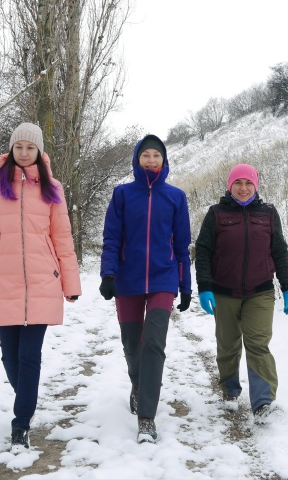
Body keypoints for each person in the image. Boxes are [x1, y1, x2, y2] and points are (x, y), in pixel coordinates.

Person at [0, 122, 81, 453]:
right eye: (19, 147)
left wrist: (71, 283)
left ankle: (20, 424)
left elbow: (63, 239)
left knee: (30, 357)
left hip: (43, 281)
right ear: (11, 151)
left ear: (39, 152)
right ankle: (26, 395)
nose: (24, 152)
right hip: (4, 282)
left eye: (31, 147)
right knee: (9, 357)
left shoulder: (52, 188)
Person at [99, 134, 192, 443]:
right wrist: (108, 273)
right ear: (137, 160)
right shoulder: (123, 194)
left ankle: (147, 417)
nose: (151, 160)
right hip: (128, 279)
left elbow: (182, 245)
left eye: (157, 155)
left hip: (164, 280)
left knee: (153, 342)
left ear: (164, 161)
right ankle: (138, 385)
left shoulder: (176, 197)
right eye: (145, 155)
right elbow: (112, 237)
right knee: (131, 343)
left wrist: (186, 285)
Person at [194, 163, 288, 424]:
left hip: (260, 292)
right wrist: (204, 287)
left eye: (248, 183)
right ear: (230, 186)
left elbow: (279, 251)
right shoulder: (216, 214)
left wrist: (287, 286)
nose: (243, 188)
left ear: (255, 185)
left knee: (258, 345)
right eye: (238, 183)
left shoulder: (268, 214)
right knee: (227, 346)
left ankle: (262, 403)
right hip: (224, 292)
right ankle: (229, 389)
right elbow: (203, 251)